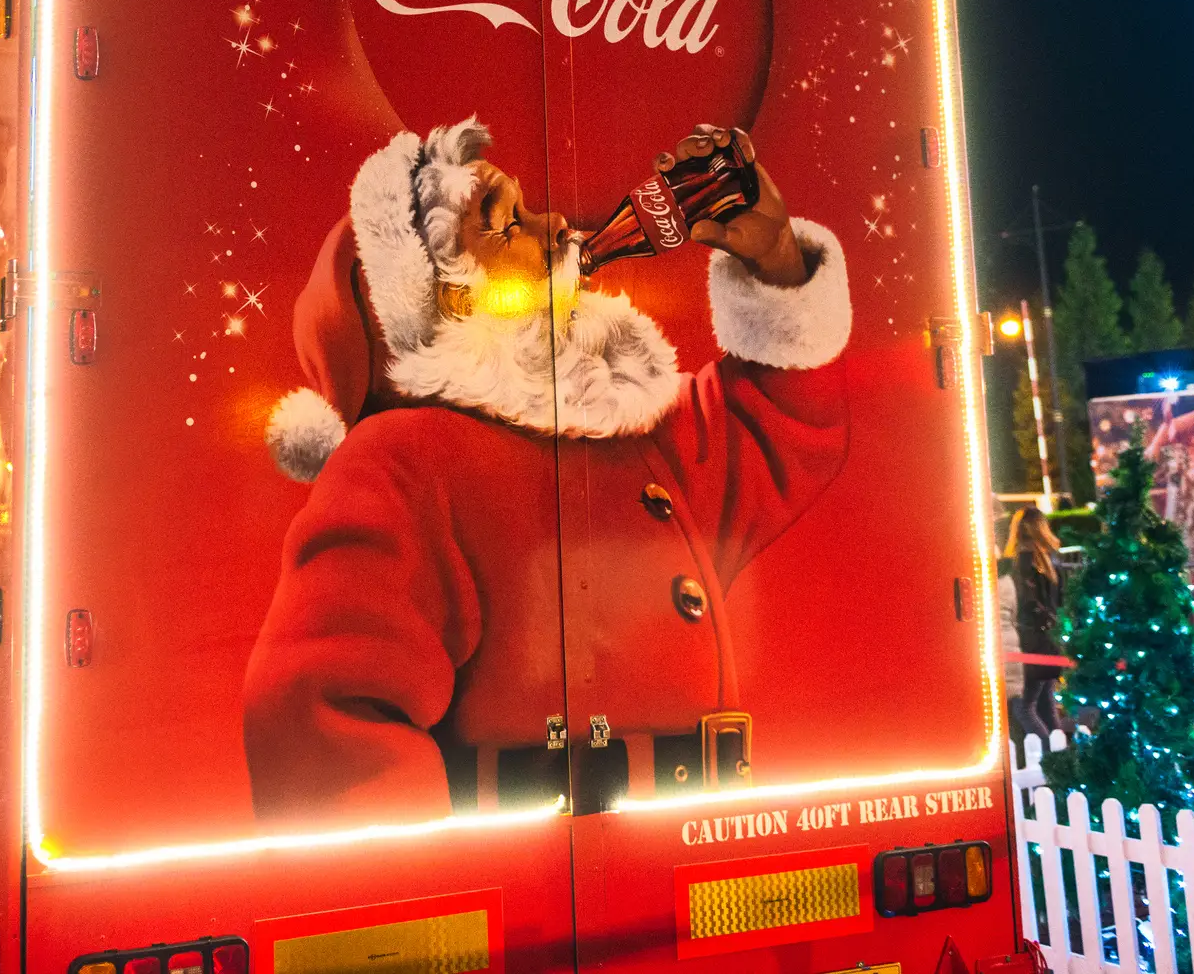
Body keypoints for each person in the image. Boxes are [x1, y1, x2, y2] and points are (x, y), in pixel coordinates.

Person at [246, 119, 852, 820]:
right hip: (520, 880)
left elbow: (780, 427)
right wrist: (445, 906)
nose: (556, 223)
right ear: (451, 294)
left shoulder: (624, 431)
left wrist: (775, 260)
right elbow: (321, 729)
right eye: (507, 224)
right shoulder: (401, 463)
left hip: (685, 848)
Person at [1006, 507, 1070, 744]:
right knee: (1046, 705)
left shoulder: (1022, 560)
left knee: (1024, 707)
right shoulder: (1052, 559)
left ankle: (1047, 756)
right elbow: (1062, 599)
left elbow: (1025, 602)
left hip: (1032, 641)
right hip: (1052, 639)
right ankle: (1061, 756)